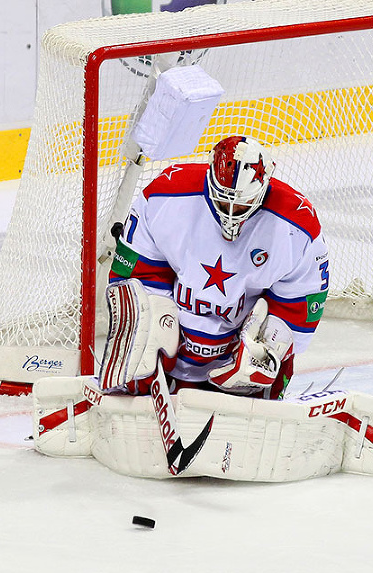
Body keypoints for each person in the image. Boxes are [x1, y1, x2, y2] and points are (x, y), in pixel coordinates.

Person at [106, 135, 329, 400]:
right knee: (139, 317)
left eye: (243, 202)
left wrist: (267, 351)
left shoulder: (296, 226)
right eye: (224, 200)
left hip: (239, 351)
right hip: (172, 350)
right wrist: (152, 335)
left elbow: (299, 307)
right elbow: (135, 274)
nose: (232, 211)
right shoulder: (167, 195)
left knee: (266, 368)